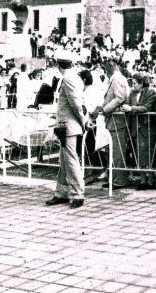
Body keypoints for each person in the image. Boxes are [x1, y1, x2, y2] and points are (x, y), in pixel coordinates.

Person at [46, 51, 89, 209]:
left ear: (59, 65)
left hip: (68, 126)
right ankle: (62, 193)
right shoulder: (73, 77)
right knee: (64, 160)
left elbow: (76, 104)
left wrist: (83, 122)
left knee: (70, 160)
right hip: (65, 125)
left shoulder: (69, 79)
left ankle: (78, 193)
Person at [93, 58, 130, 189]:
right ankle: (114, 178)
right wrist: (100, 107)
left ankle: (119, 180)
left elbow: (120, 98)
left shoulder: (118, 79)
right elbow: (111, 98)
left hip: (117, 120)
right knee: (113, 152)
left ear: (109, 69)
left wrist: (105, 109)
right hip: (112, 120)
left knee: (118, 152)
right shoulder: (113, 79)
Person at [123, 73, 156, 190]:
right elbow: (126, 103)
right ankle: (143, 179)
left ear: (142, 83)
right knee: (138, 153)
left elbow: (147, 107)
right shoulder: (132, 93)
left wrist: (132, 108)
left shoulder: (150, 92)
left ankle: (151, 179)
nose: (133, 86)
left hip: (147, 127)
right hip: (135, 127)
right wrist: (128, 107)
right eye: (132, 83)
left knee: (148, 153)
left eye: (135, 83)